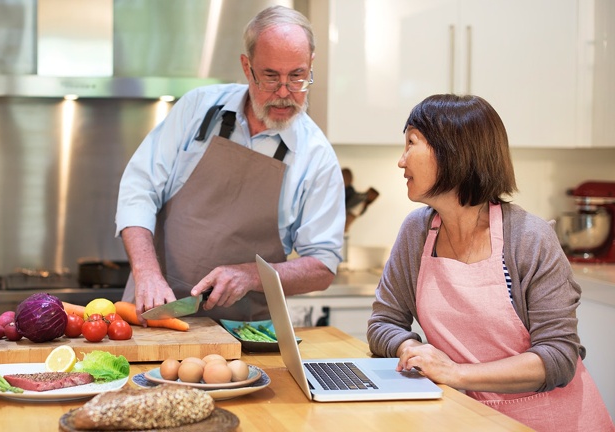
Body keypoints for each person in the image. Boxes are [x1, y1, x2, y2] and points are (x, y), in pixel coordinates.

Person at [367, 94, 613, 431]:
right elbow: (383, 322)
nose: (401, 160)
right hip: (468, 418)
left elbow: (559, 356)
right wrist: (413, 350)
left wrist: (455, 373)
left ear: (452, 152)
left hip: (553, 422)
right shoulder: (418, 231)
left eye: (411, 142)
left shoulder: (529, 238)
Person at [115, 6, 344, 323]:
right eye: (270, 76)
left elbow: (322, 266)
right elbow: (138, 189)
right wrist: (147, 273)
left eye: (297, 77)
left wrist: (251, 276)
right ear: (247, 67)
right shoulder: (199, 109)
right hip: (156, 315)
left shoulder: (317, 157)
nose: (283, 93)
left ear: (311, 66)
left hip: (245, 338)